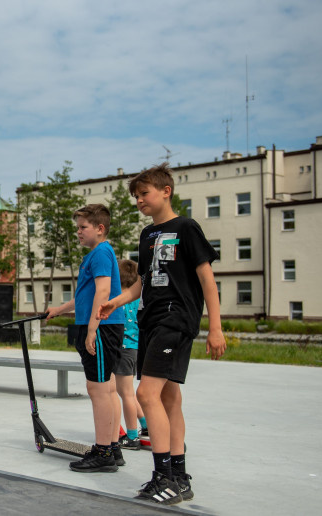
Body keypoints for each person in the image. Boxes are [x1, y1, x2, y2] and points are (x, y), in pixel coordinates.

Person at [100, 163, 226, 504]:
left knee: (146, 395)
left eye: (145, 193)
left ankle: (164, 476)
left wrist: (215, 327)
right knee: (169, 398)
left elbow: (207, 279)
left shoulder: (186, 227)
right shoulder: (146, 235)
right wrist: (117, 301)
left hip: (177, 318)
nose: (140, 200)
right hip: (150, 320)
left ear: (165, 191)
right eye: (136, 196)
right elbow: (141, 282)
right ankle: (180, 475)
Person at [44, 204, 126, 473]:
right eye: (77, 227)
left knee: (98, 389)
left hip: (101, 328)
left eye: (83, 227)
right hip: (102, 326)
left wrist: (92, 329)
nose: (78, 232)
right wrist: (59, 310)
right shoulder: (97, 254)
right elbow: (86, 296)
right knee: (108, 388)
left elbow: (103, 293)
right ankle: (112, 447)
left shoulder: (101, 252)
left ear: (99, 229)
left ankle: (103, 452)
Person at [115, 259, 145, 450]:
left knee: (125, 393)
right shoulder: (137, 300)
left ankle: (131, 436)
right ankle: (145, 424)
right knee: (128, 392)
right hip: (134, 349)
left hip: (123, 349)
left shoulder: (120, 301)